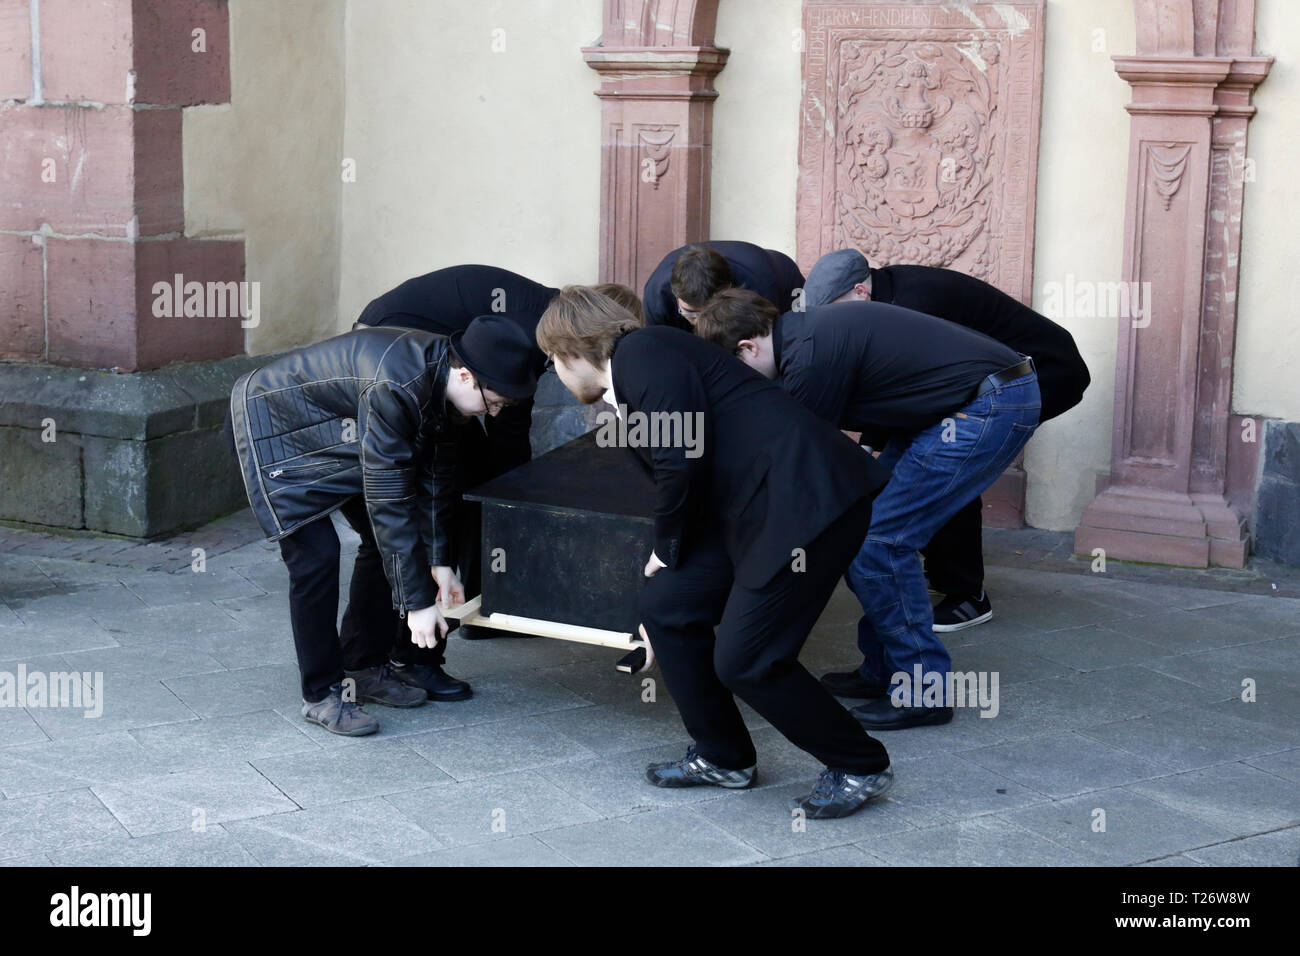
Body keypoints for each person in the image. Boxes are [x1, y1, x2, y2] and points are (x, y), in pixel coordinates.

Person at [537, 285, 895, 819]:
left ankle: (860, 764)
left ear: (570, 352)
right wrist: (667, 563)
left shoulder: (644, 350)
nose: (557, 376)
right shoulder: (642, 371)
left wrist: (665, 547)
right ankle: (723, 756)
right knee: (666, 607)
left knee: (748, 661)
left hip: (807, 505)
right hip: (751, 512)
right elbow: (686, 467)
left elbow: (681, 458)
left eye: (553, 362)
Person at [695, 290, 1040, 730]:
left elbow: (798, 463)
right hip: (959, 405)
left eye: (737, 371)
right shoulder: (801, 337)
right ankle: (884, 669)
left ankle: (922, 693)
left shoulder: (808, 360)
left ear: (747, 347)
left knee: (880, 544)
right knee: (866, 536)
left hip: (985, 406)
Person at [225, 317, 538, 734]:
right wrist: (418, 604)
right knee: (316, 557)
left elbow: (435, 478)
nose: (495, 412)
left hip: (343, 432)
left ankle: (362, 666)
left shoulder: (443, 380)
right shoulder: (396, 386)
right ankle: (320, 694)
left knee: (377, 543)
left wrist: (440, 562)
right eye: (494, 402)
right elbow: (390, 500)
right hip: (273, 428)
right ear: (466, 376)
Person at [356, 266, 642, 664]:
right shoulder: (535, 332)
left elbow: (510, 419)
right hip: (394, 340)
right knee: (447, 494)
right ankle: (425, 636)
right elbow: (507, 426)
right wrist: (514, 496)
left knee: (476, 483)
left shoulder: (547, 326)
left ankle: (476, 604)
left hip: (426, 351)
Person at [802, 249, 1090, 637]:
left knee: (948, 466)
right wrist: (871, 445)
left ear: (859, 291)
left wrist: (870, 446)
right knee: (929, 456)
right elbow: (903, 390)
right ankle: (938, 570)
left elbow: (915, 387)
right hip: (991, 376)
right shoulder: (885, 296)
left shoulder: (915, 302)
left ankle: (968, 595)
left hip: (1045, 372)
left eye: (836, 311)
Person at [642, 241, 804, 332]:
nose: (699, 322)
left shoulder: (760, 284)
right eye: (691, 313)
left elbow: (762, 345)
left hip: (786, 286)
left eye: (709, 312)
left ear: (729, 289)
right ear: (676, 296)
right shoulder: (656, 298)